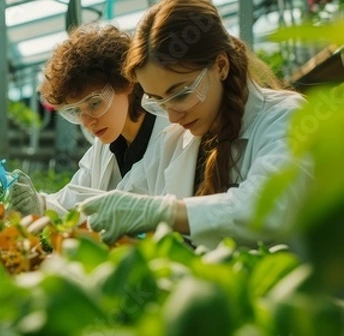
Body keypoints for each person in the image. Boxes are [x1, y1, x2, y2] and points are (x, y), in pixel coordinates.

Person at [79, 0, 312, 248]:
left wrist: (165, 213)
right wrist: (45, 209)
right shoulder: (174, 140)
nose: (172, 117)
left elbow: (269, 208)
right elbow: (119, 202)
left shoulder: (286, 118)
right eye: (158, 101)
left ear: (220, 66)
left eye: (180, 94)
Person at [7, 23, 169, 217]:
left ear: (127, 82)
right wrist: (39, 204)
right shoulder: (104, 148)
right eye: (75, 111)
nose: (87, 122)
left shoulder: (171, 135)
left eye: (94, 104)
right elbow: (72, 200)